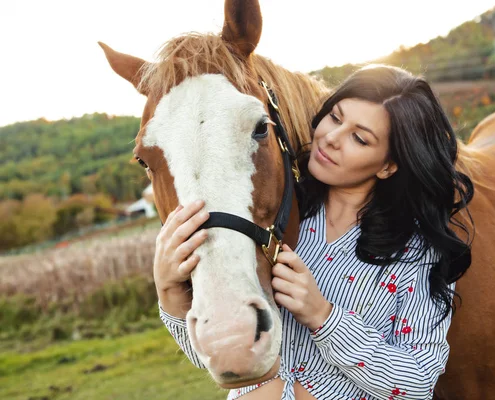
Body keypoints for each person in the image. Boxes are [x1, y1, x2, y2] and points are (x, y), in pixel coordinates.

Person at [153, 65, 474, 400]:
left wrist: (324, 316)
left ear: (388, 165)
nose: (331, 138)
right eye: (335, 117)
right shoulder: (272, 218)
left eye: (359, 138)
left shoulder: (416, 251)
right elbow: (225, 359)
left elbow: (418, 381)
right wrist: (169, 292)